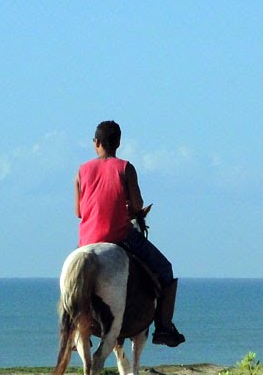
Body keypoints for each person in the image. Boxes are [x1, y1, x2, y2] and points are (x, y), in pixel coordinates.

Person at [75, 120, 185, 347]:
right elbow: (136, 205)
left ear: (96, 142)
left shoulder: (82, 170)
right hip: (119, 235)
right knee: (165, 269)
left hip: (87, 240)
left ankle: (76, 328)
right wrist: (130, 210)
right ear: (118, 143)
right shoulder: (126, 168)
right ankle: (164, 327)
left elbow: (78, 212)